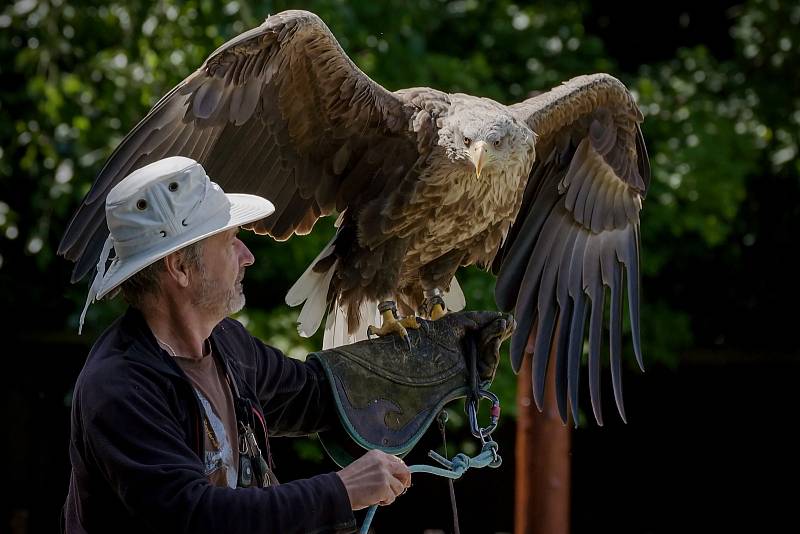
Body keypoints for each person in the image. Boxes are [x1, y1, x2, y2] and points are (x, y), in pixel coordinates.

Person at [63, 156, 508, 533]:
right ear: (180, 267)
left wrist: (439, 358)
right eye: (230, 241)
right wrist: (341, 491)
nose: (247, 255)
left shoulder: (227, 345)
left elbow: (315, 395)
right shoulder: (120, 387)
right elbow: (192, 515)